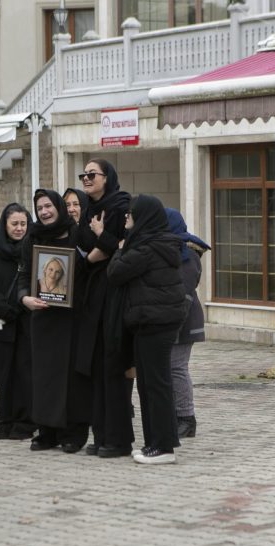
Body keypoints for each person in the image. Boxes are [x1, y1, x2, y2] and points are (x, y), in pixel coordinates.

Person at [107, 194, 188, 465]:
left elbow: (115, 272)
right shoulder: (154, 243)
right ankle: (155, 443)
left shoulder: (146, 248)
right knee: (150, 384)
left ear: (143, 218)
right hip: (151, 321)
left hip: (154, 321)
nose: (126, 217)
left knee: (156, 384)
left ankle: (164, 447)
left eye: (131, 214)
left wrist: (119, 248)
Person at [21, 189, 91, 453]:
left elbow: (89, 268)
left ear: (58, 207)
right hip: (43, 317)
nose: (44, 211)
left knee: (72, 377)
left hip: (73, 318)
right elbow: (24, 275)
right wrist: (24, 299)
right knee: (45, 377)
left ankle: (74, 432)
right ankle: (47, 431)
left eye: (48, 205)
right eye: (39, 208)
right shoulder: (32, 237)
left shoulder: (77, 234)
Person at [74, 159, 134, 458]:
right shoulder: (87, 209)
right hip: (92, 297)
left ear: (107, 178)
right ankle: (100, 436)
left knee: (113, 370)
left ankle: (119, 440)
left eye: (92, 174)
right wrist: (92, 253)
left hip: (113, 296)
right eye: (83, 174)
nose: (86, 178)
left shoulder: (121, 205)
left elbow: (117, 248)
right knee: (95, 370)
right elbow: (86, 248)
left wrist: (96, 244)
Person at [0, 203, 35, 440]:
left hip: (26, 320)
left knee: (25, 372)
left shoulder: (33, 248)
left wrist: (22, 304)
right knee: (4, 373)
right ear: (5, 225)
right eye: (15, 224)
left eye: (23, 224)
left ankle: (25, 422)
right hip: (2, 320)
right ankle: (5, 420)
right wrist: (3, 308)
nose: (20, 228)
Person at [166, 208, 210, 440]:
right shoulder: (171, 251)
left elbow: (184, 291)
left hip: (182, 321)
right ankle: (175, 414)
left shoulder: (187, 254)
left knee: (177, 368)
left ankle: (186, 418)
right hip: (172, 319)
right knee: (170, 369)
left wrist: (172, 322)